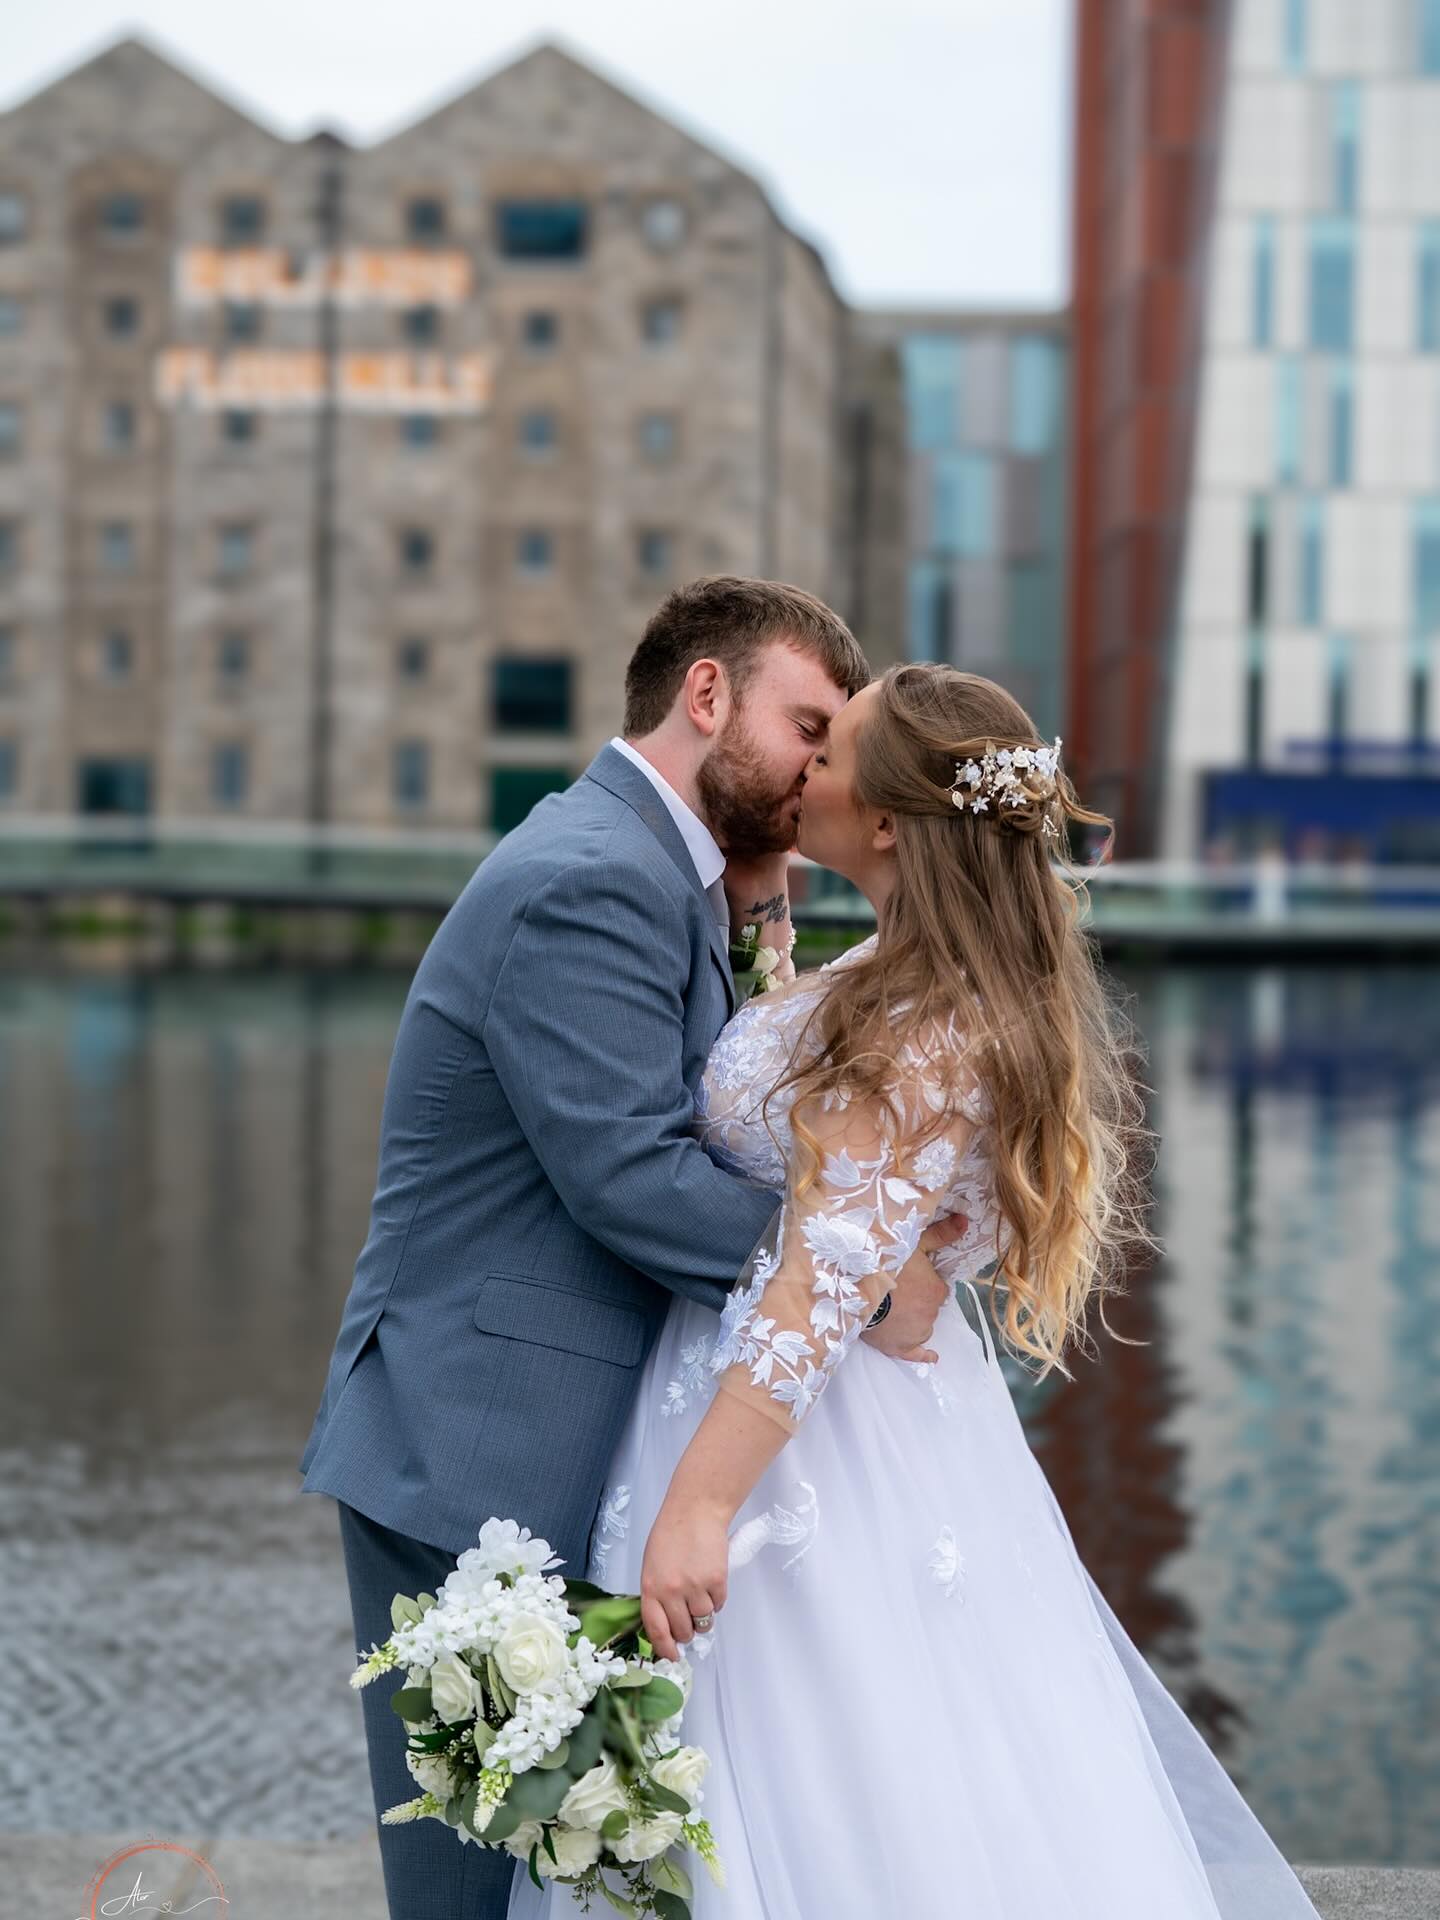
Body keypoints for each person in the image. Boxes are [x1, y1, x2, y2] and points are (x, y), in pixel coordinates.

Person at [508, 663, 1326, 1919]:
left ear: (886, 821)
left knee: (809, 1787)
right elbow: (853, 1198)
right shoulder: (923, 987)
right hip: (893, 1429)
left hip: (797, 1454)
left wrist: (700, 1510)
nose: (806, 764)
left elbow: (817, 1293)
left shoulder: (908, 1022)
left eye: (830, 748)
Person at [298, 577, 965, 1920]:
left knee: (573, 1870)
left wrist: (757, 915)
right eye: (808, 726)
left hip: (546, 1438)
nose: (820, 769)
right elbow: (630, 1176)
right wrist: (853, 1264)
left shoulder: (655, 869)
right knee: (477, 1888)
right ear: (704, 696)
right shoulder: (591, 879)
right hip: (478, 1447)